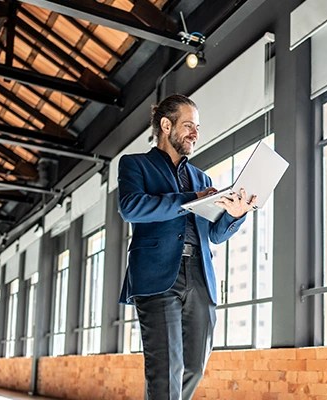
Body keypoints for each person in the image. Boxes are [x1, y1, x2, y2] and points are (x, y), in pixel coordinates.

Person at [117, 94, 257, 399]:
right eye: (189, 125)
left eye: (198, 127)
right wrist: (189, 200)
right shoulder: (135, 165)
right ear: (166, 125)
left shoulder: (201, 178)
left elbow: (215, 234)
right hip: (157, 278)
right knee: (167, 370)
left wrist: (235, 214)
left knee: (193, 366)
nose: (195, 133)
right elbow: (131, 208)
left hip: (199, 276)